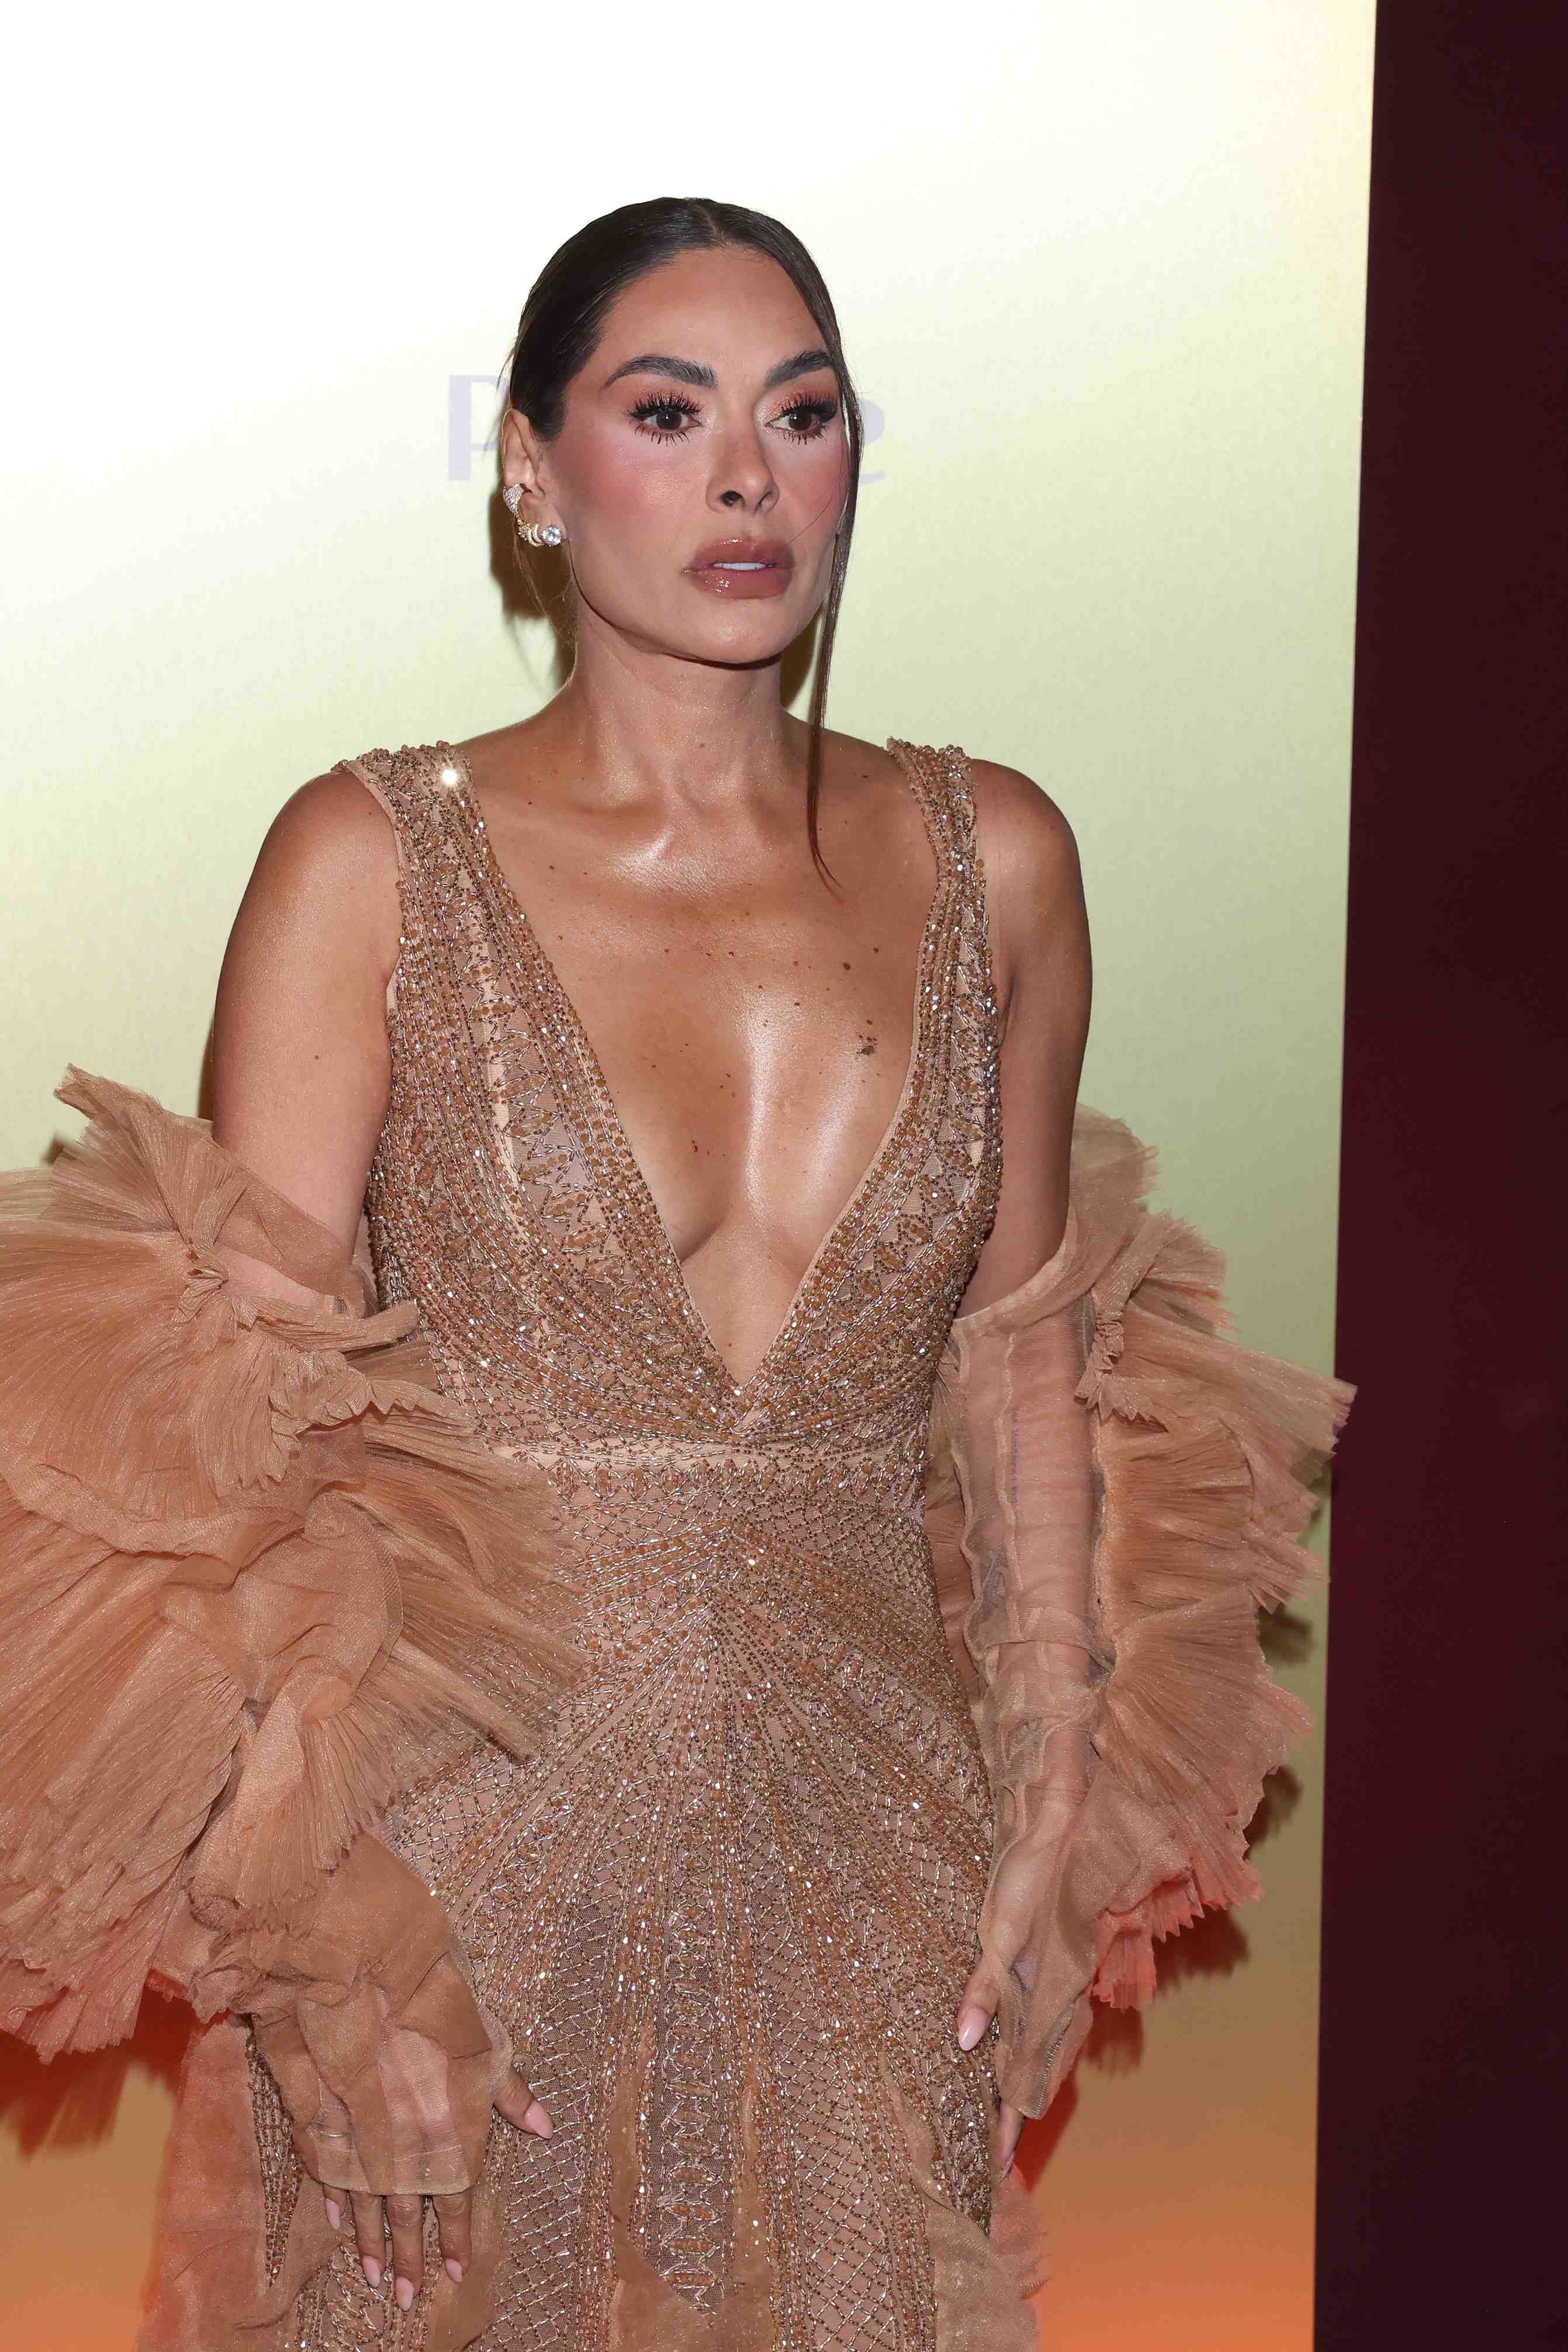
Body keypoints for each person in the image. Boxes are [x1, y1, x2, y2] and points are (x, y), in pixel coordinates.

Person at [0, 197, 1355, 2351]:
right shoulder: (370, 862)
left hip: (881, 1858)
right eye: (666, 413)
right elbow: (230, 1463)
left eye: (802, 417)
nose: (748, 479)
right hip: (455, 1861)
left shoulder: (997, 857)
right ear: (530, 471)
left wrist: (1048, 1792)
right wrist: (336, 1954)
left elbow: (1023, 1360)